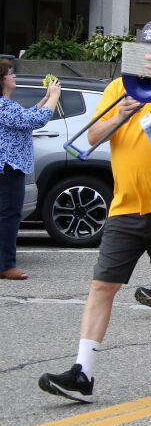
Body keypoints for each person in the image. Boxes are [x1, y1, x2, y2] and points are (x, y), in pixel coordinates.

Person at [38, 20, 151, 402]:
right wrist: (122, 114)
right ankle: (82, 372)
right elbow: (92, 136)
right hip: (127, 205)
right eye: (148, 51)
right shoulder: (120, 86)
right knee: (102, 285)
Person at [1, 61, 60, 280]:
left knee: (7, 216)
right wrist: (54, 96)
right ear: (2, 81)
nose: (14, 76)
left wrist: (45, 99)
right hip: (8, 169)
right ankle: (6, 265)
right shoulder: (3, 106)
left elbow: (25, 117)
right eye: (10, 73)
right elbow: (34, 120)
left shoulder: (7, 106)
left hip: (9, 168)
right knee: (9, 216)